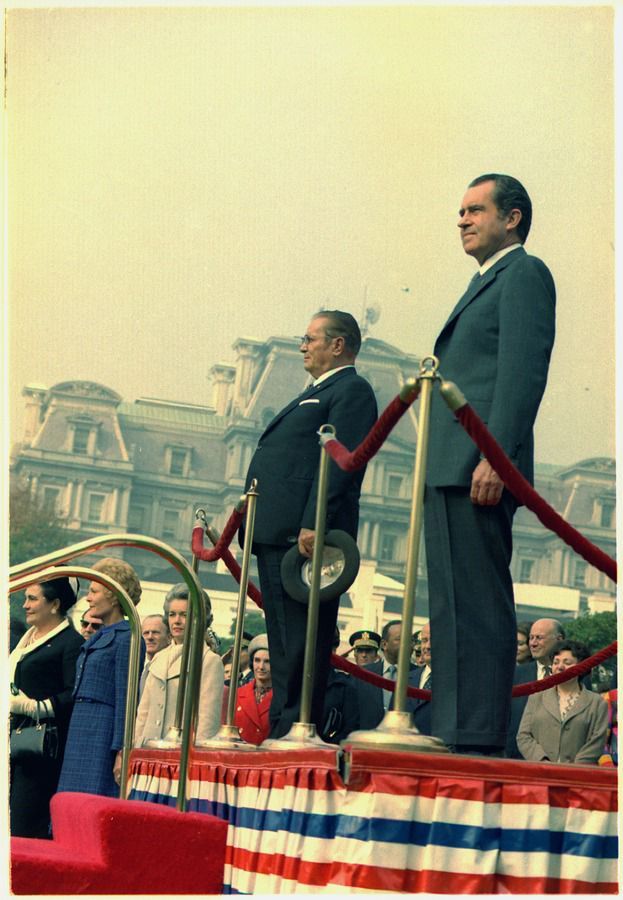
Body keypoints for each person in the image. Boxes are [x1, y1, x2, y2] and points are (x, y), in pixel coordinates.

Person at [423, 174, 556, 755]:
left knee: (477, 603)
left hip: (479, 463)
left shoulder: (524, 274)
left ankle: (477, 732)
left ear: (514, 218)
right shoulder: (483, 281)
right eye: (460, 211)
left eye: (476, 209)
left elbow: (522, 373)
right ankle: (453, 728)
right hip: (449, 463)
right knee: (450, 605)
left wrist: (495, 459)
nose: (463, 220)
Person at [241, 309, 377, 739]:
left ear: (338, 345)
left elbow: (338, 464)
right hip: (276, 532)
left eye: (310, 338)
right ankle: (285, 725)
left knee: (302, 637)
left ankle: (297, 726)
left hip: (302, 537)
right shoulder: (316, 390)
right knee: (283, 638)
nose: (303, 346)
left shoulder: (351, 390)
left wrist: (312, 521)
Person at [57, 558, 144, 798]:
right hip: (81, 725)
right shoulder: (101, 635)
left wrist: (121, 750)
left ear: (114, 595)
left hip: (102, 732)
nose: (88, 597)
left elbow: (126, 698)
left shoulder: (128, 637)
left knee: (91, 800)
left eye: (94, 591)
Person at [9, 575, 84, 837]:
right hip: (14, 743)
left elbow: (72, 693)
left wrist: (34, 707)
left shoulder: (70, 643)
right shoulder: (26, 639)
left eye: (32, 599)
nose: (25, 605)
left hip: (39, 749)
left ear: (54, 604)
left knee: (24, 820)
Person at [135, 584, 224, 746]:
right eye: (172, 614)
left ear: (200, 618)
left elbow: (207, 721)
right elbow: (143, 714)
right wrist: (135, 748)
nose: (176, 621)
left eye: (184, 615)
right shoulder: (158, 658)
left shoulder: (208, 660)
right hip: (147, 753)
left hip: (180, 755)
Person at [517, 640, 608, 764]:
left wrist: (575, 767)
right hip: (540, 771)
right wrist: (542, 760)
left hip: (578, 775)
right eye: (556, 662)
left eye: (567, 662)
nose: (560, 667)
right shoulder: (536, 697)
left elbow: (597, 741)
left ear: (582, 667)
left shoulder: (597, 702)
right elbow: (523, 736)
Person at [507, 618, 566, 758]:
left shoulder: (576, 676)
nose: (533, 643)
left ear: (559, 639)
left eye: (539, 638)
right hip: (516, 760)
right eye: (531, 638)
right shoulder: (515, 675)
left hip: (558, 761)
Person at [353, 620, 422, 730]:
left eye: (411, 640)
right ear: (384, 644)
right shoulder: (363, 675)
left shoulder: (421, 676)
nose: (408, 644)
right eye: (400, 639)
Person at [233, 634, 272, 745]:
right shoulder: (237, 694)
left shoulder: (283, 698)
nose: (261, 667)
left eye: (267, 661)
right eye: (257, 660)